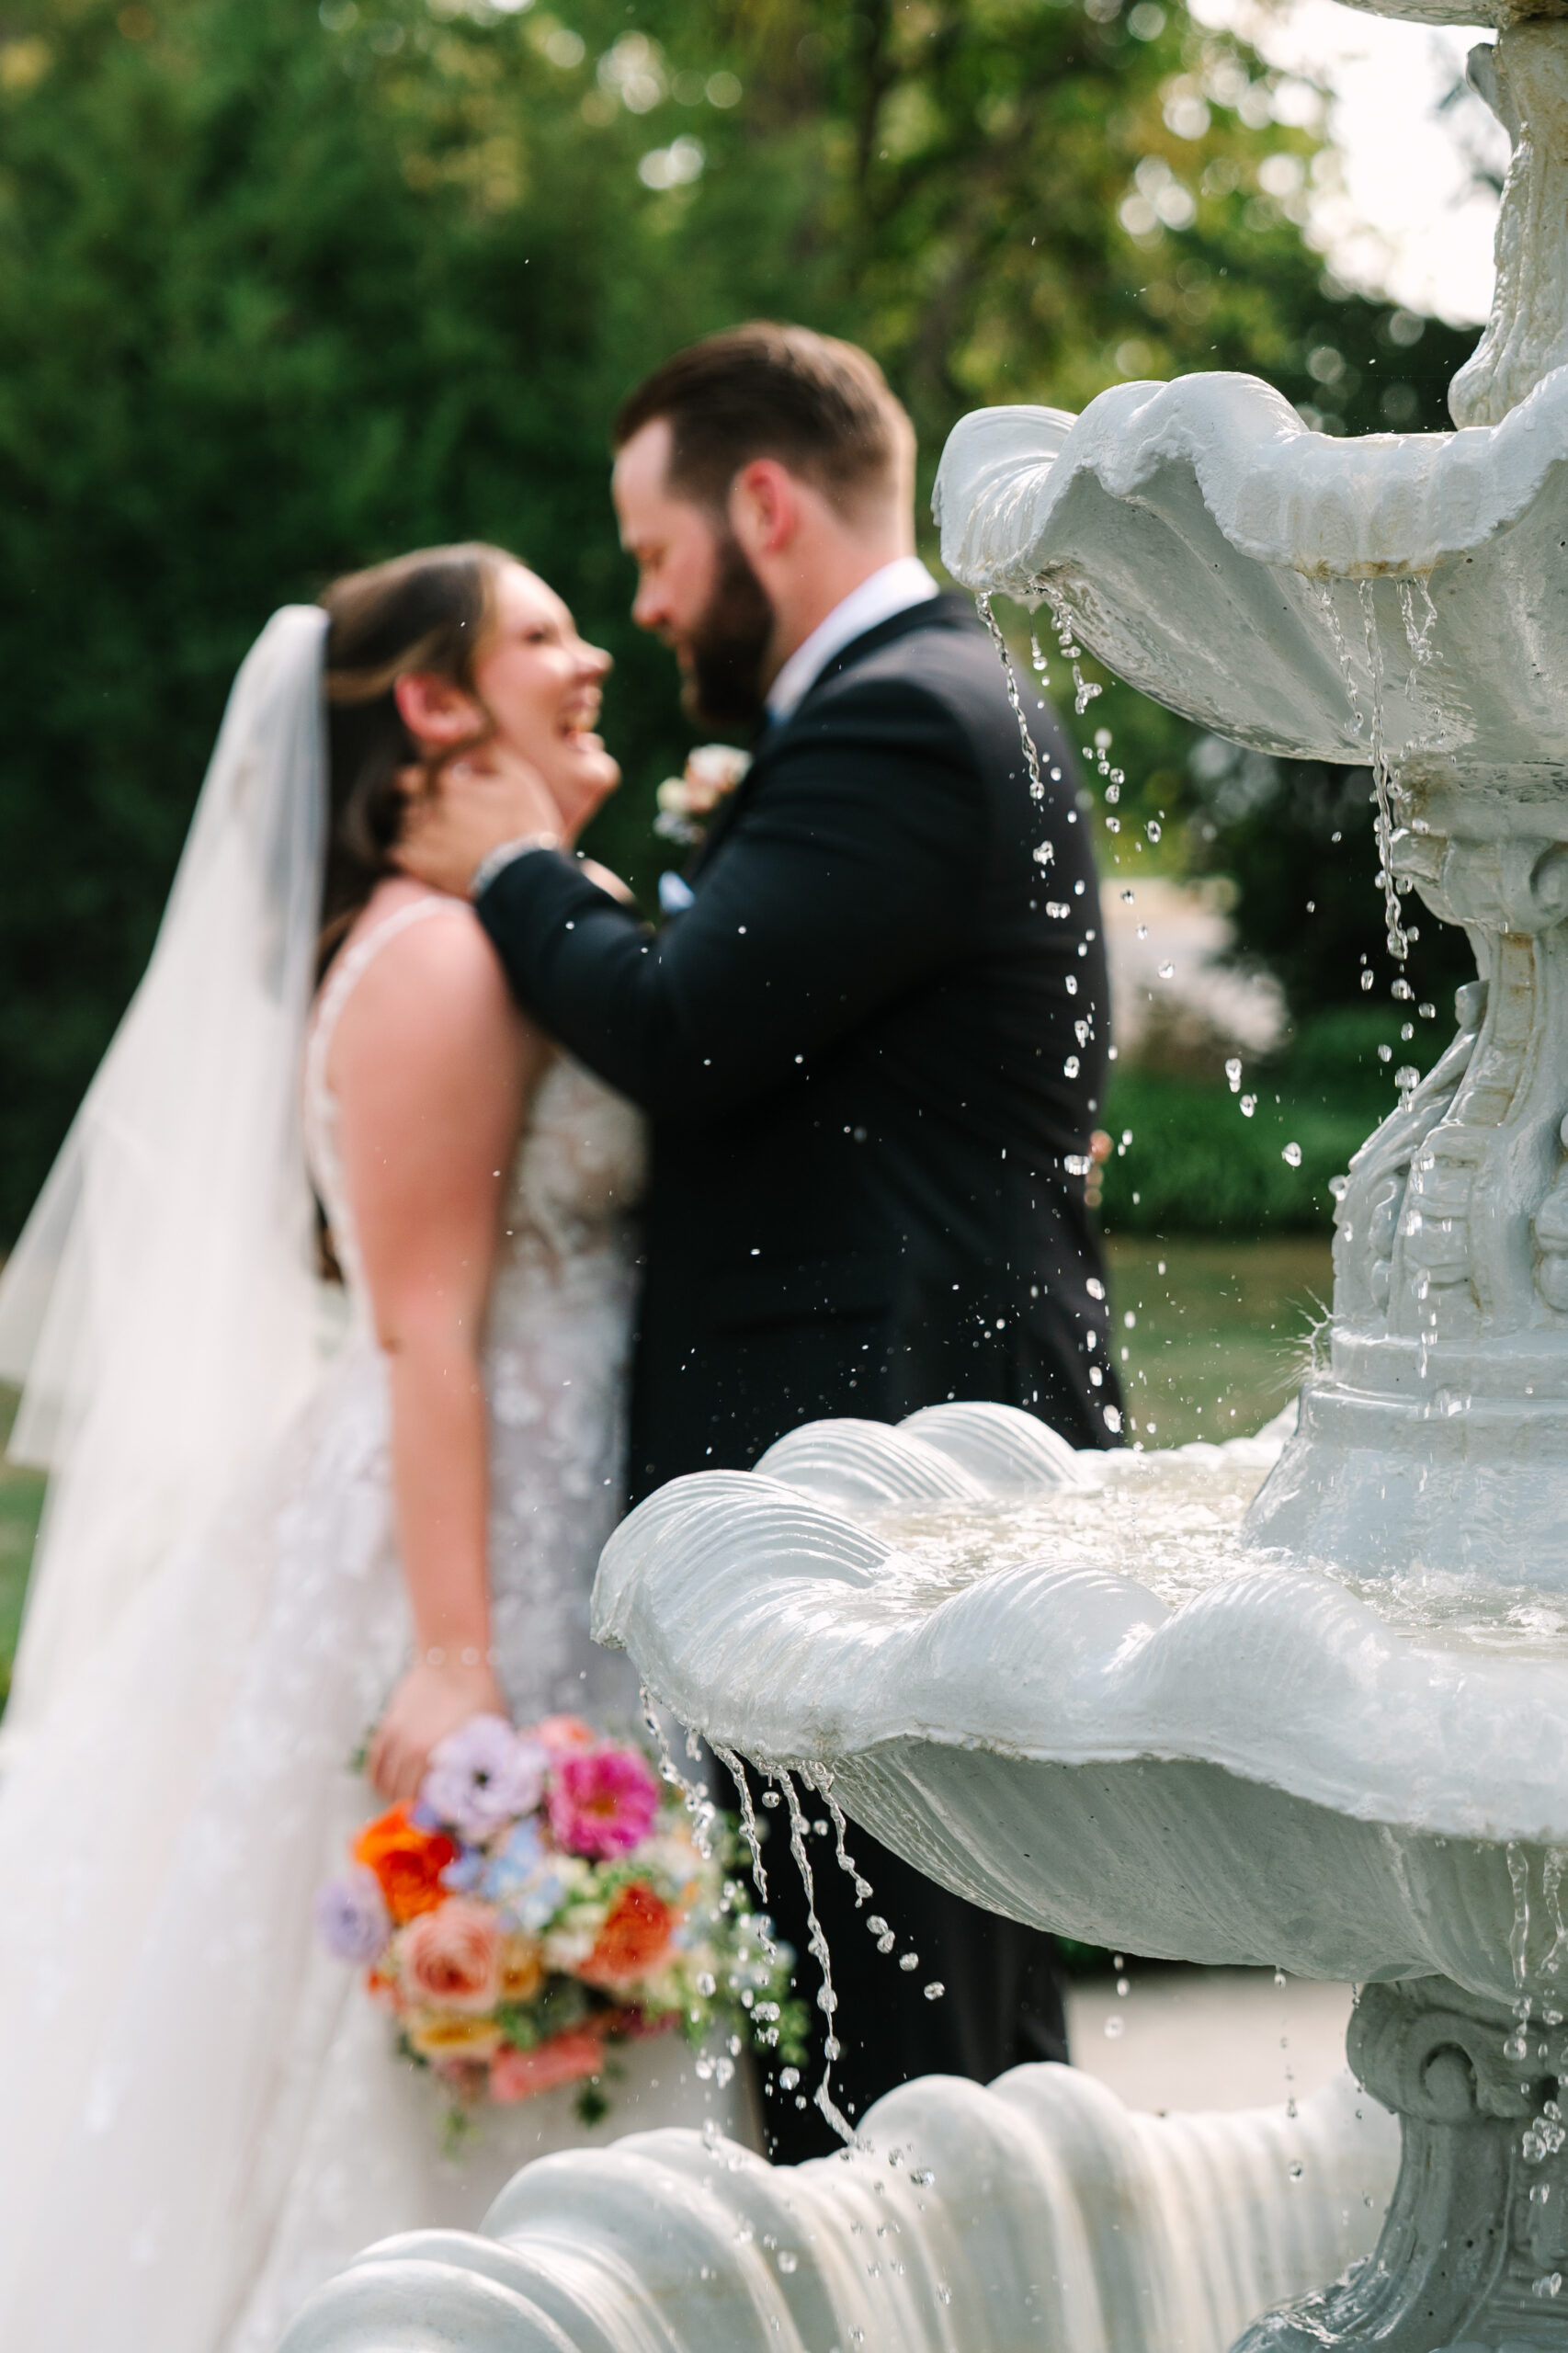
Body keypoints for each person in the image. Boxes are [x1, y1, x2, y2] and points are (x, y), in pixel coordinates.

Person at [0, 544, 745, 2353]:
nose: (591, 658)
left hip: (571, 1496)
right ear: (429, 701)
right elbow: (423, 1327)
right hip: (474, 1533)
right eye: (542, 635)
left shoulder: (507, 914)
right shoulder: (434, 958)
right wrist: (456, 1657)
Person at [394, 323, 1122, 2164]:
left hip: (881, 1491)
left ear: (767, 506)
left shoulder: (899, 716)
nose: (644, 605)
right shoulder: (916, 700)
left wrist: (512, 868)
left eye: (654, 552)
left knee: (896, 2078)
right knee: (931, 2051)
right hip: (891, 1463)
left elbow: (675, 1025)